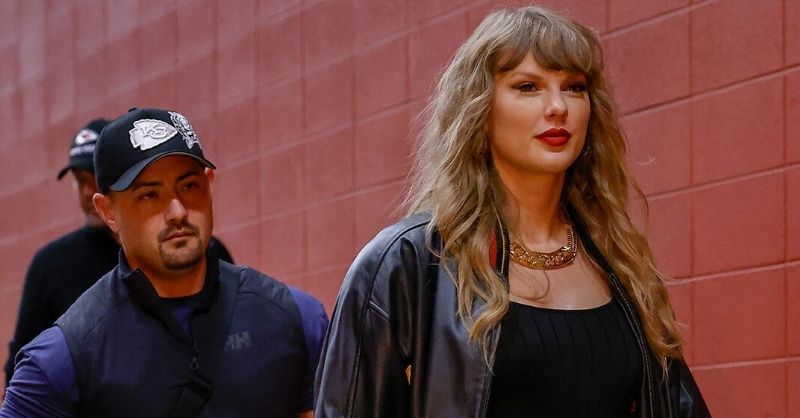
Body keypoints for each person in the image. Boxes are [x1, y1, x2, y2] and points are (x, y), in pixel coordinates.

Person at [314, 6, 709, 418]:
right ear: (480, 110)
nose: (558, 106)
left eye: (574, 87)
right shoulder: (408, 262)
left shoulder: (620, 262)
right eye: (528, 86)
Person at [1, 108, 327, 417]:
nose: (177, 212)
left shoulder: (298, 320)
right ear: (108, 212)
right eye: (149, 195)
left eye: (189, 186)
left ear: (209, 185)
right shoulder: (63, 358)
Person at [3, 119, 234, 386]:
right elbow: (22, 366)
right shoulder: (52, 265)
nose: (87, 191)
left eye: (94, 178)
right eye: (80, 181)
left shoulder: (196, 250)